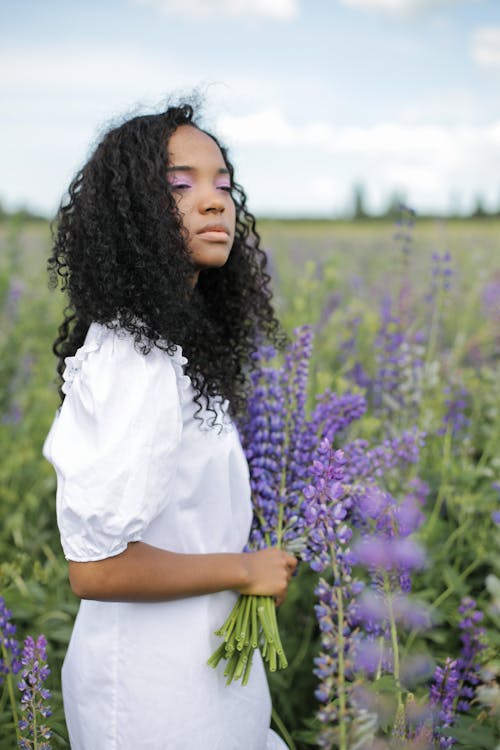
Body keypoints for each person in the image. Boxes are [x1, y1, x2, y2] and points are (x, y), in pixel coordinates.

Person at [43, 102, 297, 750]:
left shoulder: (169, 342)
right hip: (156, 700)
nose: (214, 202)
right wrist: (245, 571)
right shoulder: (138, 356)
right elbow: (96, 570)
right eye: (181, 186)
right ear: (130, 214)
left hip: (203, 673)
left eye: (221, 183)